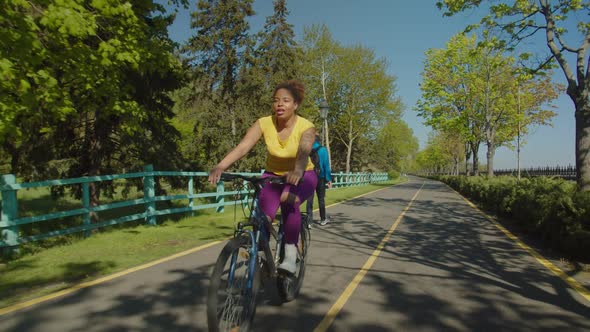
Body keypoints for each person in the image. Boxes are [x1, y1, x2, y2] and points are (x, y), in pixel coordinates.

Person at [208, 80, 318, 274]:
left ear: (295, 105)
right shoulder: (264, 123)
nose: (280, 104)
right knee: (262, 216)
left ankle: (291, 255)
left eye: (285, 100)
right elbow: (244, 146)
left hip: (303, 175)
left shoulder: (306, 126)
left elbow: (303, 151)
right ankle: (261, 257)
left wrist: (298, 171)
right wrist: (221, 165)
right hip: (273, 177)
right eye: (276, 100)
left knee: (289, 199)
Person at [306, 135, 332, 226]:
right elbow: (326, 166)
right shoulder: (323, 150)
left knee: (309, 199)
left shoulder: (307, 150)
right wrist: (328, 179)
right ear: (318, 141)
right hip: (320, 177)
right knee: (321, 199)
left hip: (309, 177)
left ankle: (309, 221)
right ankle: (323, 219)